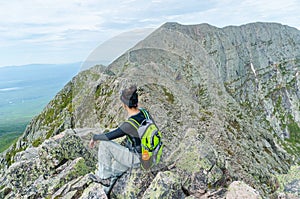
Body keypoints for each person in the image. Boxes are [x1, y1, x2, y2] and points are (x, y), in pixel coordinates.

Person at [89, 85, 152, 195]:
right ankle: (105, 192)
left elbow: (109, 136)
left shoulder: (129, 125)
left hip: (136, 159)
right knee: (115, 169)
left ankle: (104, 178)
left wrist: (95, 137)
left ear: (124, 105)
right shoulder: (144, 112)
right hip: (148, 155)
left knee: (104, 144)